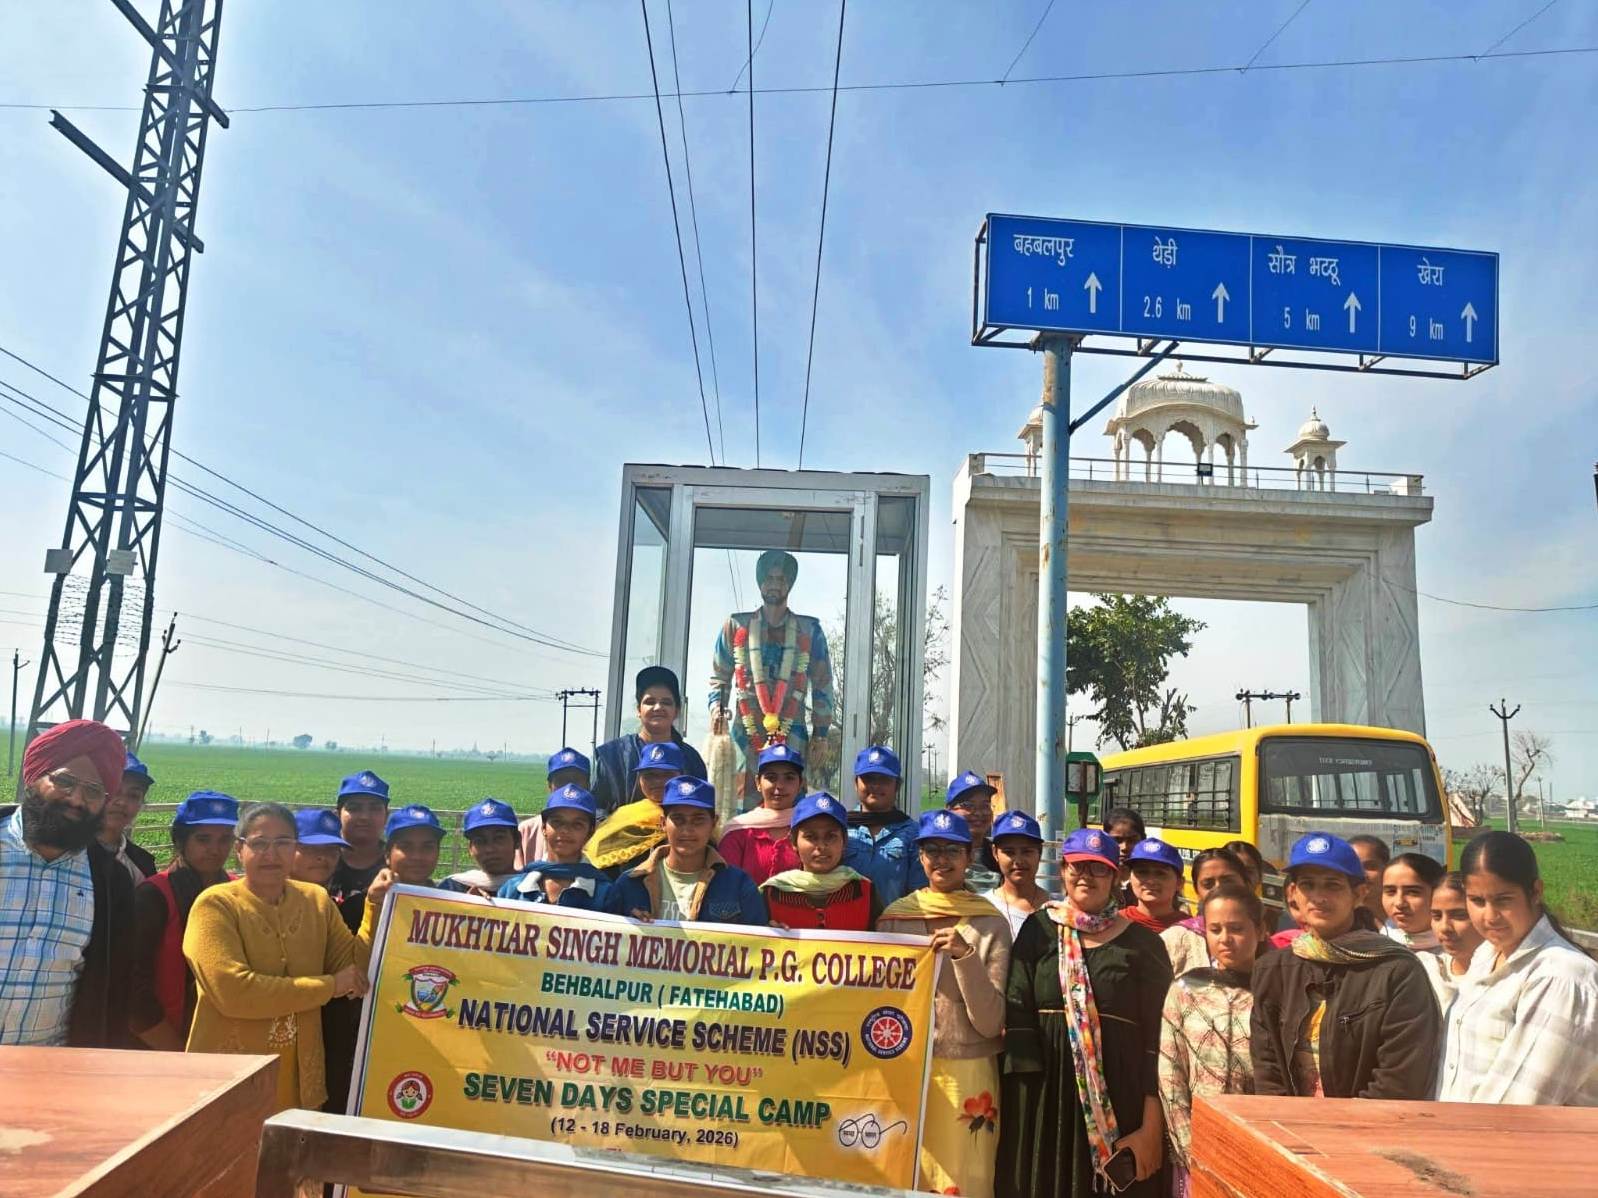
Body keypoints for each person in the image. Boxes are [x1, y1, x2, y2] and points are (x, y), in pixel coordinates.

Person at [998, 827, 1171, 1198]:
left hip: (1121, 1096)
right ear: (1062, 871)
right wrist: (1024, 1105)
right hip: (1046, 1094)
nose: (1085, 876)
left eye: (1098, 868)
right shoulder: (1039, 930)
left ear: (1115, 876)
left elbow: (1159, 1040)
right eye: (1077, 866)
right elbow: (1017, 1007)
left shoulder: (1143, 945)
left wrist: (1151, 1121)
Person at [183, 802, 375, 1112]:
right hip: (228, 1083)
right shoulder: (215, 905)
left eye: (283, 843)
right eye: (259, 843)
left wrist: (375, 906)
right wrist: (329, 986)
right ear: (239, 849)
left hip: (300, 1083)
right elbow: (233, 992)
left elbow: (355, 972)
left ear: (295, 848)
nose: (271, 854)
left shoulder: (316, 901)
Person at [879, 810, 1012, 1198]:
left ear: (969, 856)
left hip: (968, 1074)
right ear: (919, 857)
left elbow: (991, 1023)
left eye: (952, 850)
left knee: (965, 1176)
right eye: (932, 850)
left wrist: (965, 956)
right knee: (906, 1174)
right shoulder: (893, 921)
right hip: (906, 1070)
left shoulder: (990, 924)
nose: (942, 859)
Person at [1250, 832, 1439, 1100]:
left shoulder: (1396, 971)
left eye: (1333, 885)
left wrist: (1343, 1123)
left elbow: (1399, 1079)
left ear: (1359, 894)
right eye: (1307, 885)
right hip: (1287, 1121)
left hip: (1369, 1122)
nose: (1318, 897)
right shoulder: (1273, 970)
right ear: (1293, 893)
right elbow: (1267, 1069)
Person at [1436, 831, 1598, 1105]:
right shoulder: (1485, 955)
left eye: (1503, 900)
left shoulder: (1562, 977)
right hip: (1460, 1127)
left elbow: (1520, 1103)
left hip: (1508, 1131)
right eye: (1477, 901)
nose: (1489, 916)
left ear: (1535, 892)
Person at [0, 719, 133, 1048]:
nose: (76, 799)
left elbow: (111, 989)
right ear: (34, 778)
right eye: (64, 781)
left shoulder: (111, 882)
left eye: (93, 791)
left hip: (48, 1067)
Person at [1158, 883, 1266, 1197]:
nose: (1225, 939)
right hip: (1199, 1141)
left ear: (1260, 930)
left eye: (1237, 929)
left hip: (1259, 1140)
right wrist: (1188, 1145)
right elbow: (1170, 1071)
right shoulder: (1187, 989)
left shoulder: (1275, 989)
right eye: (1215, 929)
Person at [709, 551, 835, 795]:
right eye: (769, 578)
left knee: (790, 802)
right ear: (760, 583)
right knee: (742, 803)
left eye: (781, 579)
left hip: (792, 730)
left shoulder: (809, 630)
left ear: (790, 584)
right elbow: (720, 676)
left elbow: (822, 683)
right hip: (745, 734)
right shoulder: (736, 626)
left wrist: (820, 735)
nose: (775, 585)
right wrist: (717, 708)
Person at [129, 791, 238, 1051]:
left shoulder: (238, 892)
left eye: (224, 839)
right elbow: (133, 986)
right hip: (163, 1043)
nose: (215, 850)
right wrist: (175, 1050)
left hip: (227, 1040)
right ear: (181, 840)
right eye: (203, 839)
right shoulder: (154, 895)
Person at [287, 807, 362, 1114]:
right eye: (310, 848)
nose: (322, 857)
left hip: (326, 1031)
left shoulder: (329, 905)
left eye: (332, 850)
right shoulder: (261, 900)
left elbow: (353, 971)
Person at [612, 777, 765, 924]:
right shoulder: (630, 884)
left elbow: (757, 938)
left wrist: (775, 933)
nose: (687, 830)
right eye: (678, 819)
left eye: (698, 820)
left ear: (713, 823)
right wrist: (629, 925)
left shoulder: (738, 885)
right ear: (663, 823)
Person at [595, 666, 708, 817]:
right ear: (638, 709)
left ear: (677, 711)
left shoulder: (691, 758)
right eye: (650, 701)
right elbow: (596, 810)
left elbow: (702, 811)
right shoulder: (612, 756)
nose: (658, 707)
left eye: (666, 702)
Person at [761, 792, 878, 931]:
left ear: (845, 841)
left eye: (831, 836)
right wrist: (766, 933)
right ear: (793, 842)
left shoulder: (865, 892)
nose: (821, 846)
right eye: (810, 836)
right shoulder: (772, 894)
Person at [499, 785, 616, 910]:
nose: (565, 830)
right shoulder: (513, 889)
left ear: (590, 832)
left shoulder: (605, 895)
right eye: (557, 822)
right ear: (544, 828)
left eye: (577, 824)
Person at [842, 746, 926, 908]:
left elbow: (919, 893)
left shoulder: (913, 834)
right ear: (856, 783)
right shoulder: (840, 828)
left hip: (894, 922)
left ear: (897, 785)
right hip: (845, 922)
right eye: (868, 779)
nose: (875, 785)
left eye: (884, 779)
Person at [587, 739, 683, 877]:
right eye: (650, 775)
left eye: (667, 774)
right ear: (639, 779)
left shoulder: (694, 816)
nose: (658, 781)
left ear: (681, 776)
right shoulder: (624, 814)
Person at [717, 743, 804, 886]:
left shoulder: (808, 828)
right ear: (758, 783)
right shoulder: (738, 831)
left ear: (800, 784)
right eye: (771, 778)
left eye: (789, 778)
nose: (780, 786)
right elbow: (726, 887)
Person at [1162, 847, 1251, 978]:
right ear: (1197, 891)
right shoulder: (1174, 939)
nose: (1218, 889)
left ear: (1246, 884)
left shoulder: (1259, 935)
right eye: (1208, 884)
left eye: (1228, 881)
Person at [515, 747, 590, 869]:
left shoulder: (602, 832)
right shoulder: (526, 831)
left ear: (588, 786)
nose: (568, 787)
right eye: (562, 780)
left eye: (576, 780)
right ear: (549, 786)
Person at [982, 810, 1050, 939]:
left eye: (1027, 851)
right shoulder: (984, 908)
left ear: (1040, 852)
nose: (1018, 861)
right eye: (1009, 852)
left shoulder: (1057, 908)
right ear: (995, 853)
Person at [328, 770, 389, 914]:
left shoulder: (396, 866)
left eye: (374, 808)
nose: (364, 817)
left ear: (386, 815)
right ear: (337, 814)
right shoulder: (321, 860)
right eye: (354, 808)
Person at [1424, 871, 1483, 1016]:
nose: (1445, 927)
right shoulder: (1427, 969)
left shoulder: (1508, 976)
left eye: (1459, 916)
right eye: (1437, 916)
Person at [98, 750, 158, 884]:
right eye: (114, 791)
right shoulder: (65, 851)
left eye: (133, 796)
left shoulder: (143, 864)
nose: (122, 802)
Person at [439, 798, 521, 896]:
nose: (490, 849)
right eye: (480, 841)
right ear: (470, 848)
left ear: (517, 840)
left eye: (499, 838)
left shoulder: (533, 888)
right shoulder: (452, 889)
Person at [947, 770, 1002, 891]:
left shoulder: (999, 854)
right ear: (949, 810)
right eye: (968, 805)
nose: (978, 813)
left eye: (985, 805)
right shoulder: (938, 854)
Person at [1381, 852, 1445, 951]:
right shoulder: (1376, 945)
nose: (1399, 903)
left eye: (1412, 892)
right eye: (1391, 891)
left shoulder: (1462, 950)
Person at [1125, 837, 1188, 932]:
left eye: (1160, 873)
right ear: (1130, 878)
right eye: (1142, 872)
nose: (1151, 881)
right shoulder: (1113, 924)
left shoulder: (1193, 929)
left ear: (1179, 883)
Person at [380, 805, 446, 888]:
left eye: (427, 847)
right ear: (387, 855)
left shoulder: (450, 895)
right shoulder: (369, 893)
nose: (417, 857)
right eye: (405, 847)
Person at [290, 809, 349, 894]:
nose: (322, 856)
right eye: (310, 848)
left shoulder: (349, 895)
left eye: (331, 848)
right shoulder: (272, 896)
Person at [1103, 805, 1147, 903]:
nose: (1124, 847)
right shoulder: (1097, 877)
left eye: (1132, 840)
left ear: (1143, 839)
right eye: (1117, 840)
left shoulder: (1151, 878)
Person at [1347, 834, 1391, 925]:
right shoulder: (1335, 922)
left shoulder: (1408, 919)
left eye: (1370, 866)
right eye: (1354, 867)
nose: (1362, 874)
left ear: (1387, 868)